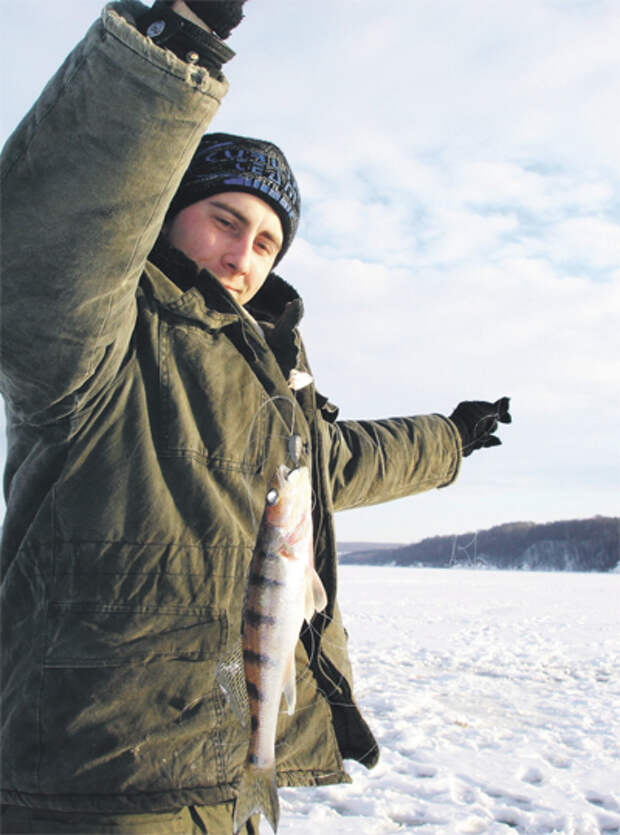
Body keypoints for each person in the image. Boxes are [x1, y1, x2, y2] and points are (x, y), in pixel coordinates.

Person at [0, 2, 511, 832]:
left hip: (230, 775)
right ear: (166, 211)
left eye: (268, 242)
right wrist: (169, 46)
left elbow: (338, 461)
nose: (244, 257)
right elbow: (46, 241)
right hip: (98, 788)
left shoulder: (270, 385)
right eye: (224, 221)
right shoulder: (100, 339)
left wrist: (448, 438)